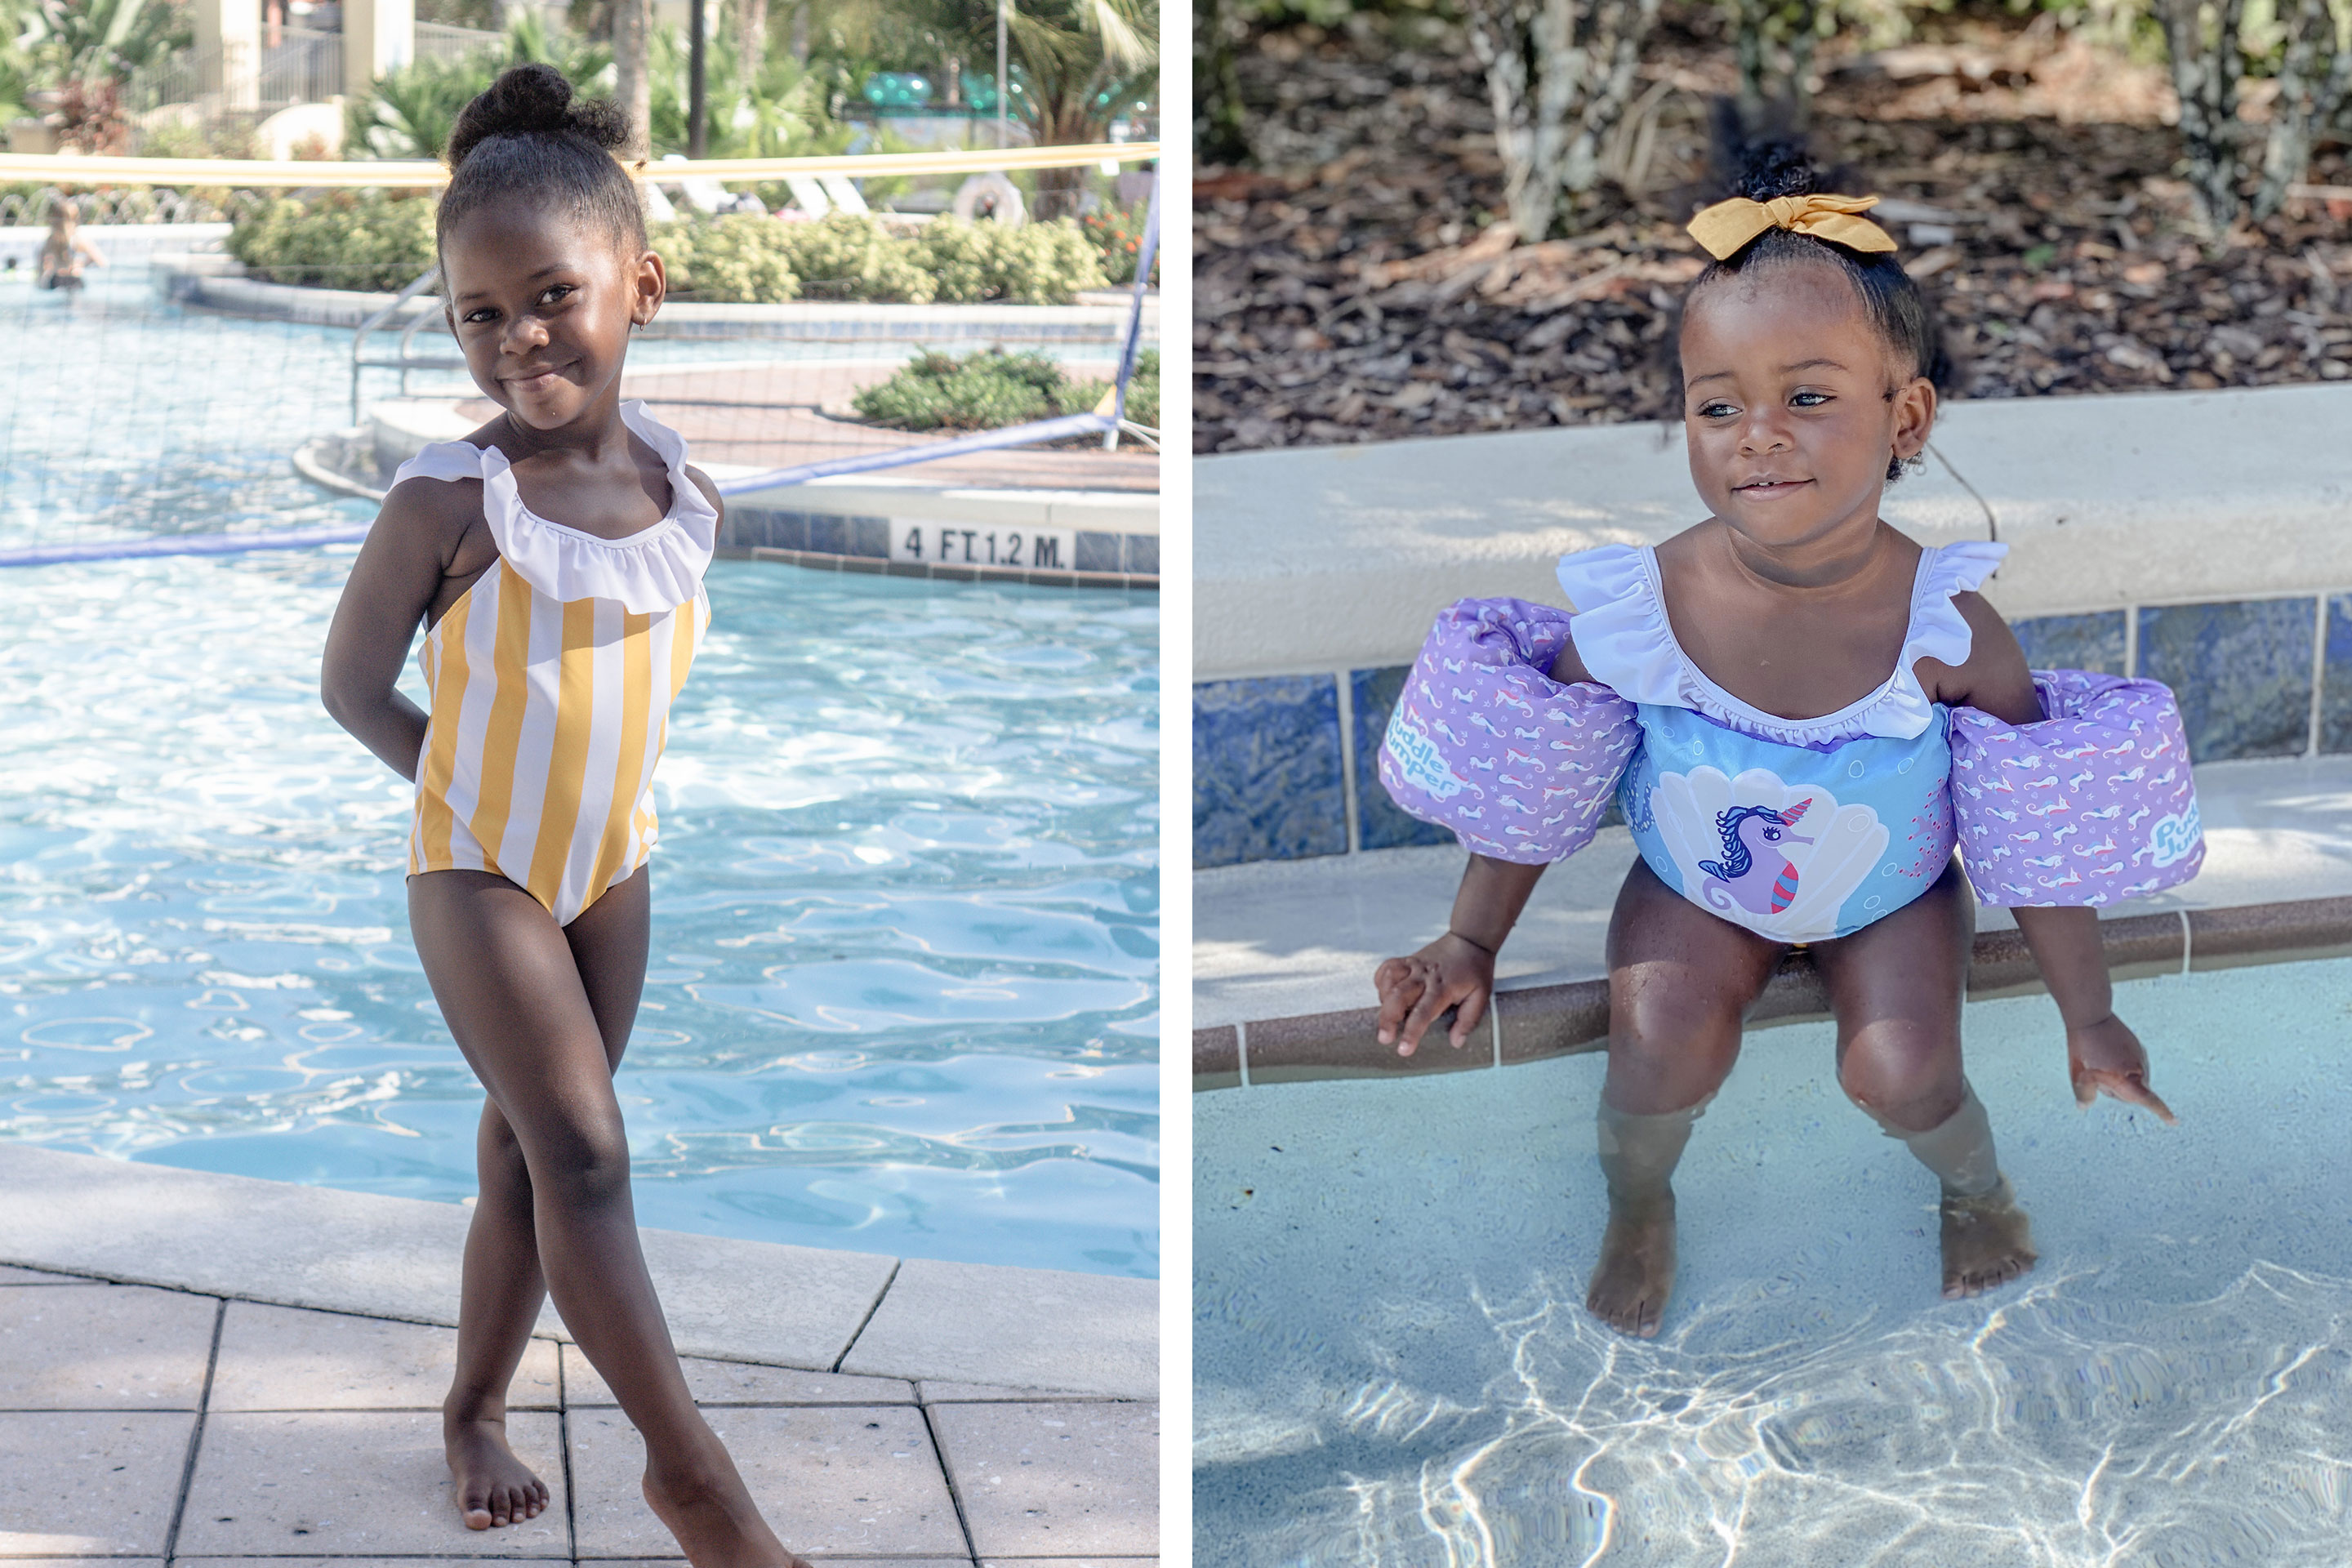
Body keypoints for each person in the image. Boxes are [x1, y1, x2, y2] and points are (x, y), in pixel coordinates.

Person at [1370, 139, 2205, 1340]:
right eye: (1720, 405)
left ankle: (1973, 1187)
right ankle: (1640, 1202)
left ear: (1905, 416)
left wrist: (2091, 1015)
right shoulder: (1643, 605)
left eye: (1808, 396)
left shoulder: (1951, 628)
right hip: (1692, 892)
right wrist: (1468, 937)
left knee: (1903, 1069)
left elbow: (2041, 839)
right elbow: (1533, 782)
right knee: (1656, 1046)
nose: (1758, 433)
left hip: (1894, 895)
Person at [319, 65, 809, 1564]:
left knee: (528, 1159)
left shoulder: (689, 492)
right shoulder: (449, 501)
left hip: (613, 872)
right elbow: (351, 688)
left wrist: (573, 828)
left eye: (552, 296)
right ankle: (697, 1487)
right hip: (479, 873)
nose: (518, 338)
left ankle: (471, 1408)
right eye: (479, 314)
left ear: (641, 286)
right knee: (587, 1156)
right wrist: (469, 804)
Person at [38, 199, 105, 291]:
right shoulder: (78, 238)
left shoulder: (52, 239)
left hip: (56, 279)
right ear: (76, 219)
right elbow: (101, 262)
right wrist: (82, 264)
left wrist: (42, 276)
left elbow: (40, 261)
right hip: (74, 278)